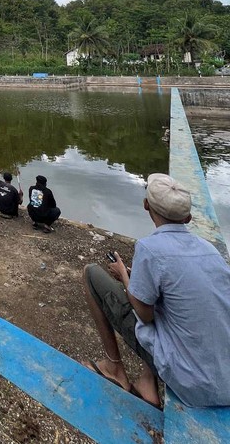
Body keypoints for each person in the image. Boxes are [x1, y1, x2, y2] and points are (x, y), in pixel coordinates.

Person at [83, 173, 230, 408]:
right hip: (225, 381)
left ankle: (113, 367)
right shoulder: (210, 251)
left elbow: (144, 314)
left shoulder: (149, 248)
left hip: (193, 385)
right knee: (166, 305)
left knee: (91, 274)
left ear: (146, 205)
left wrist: (123, 276)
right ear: (189, 218)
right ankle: (146, 383)